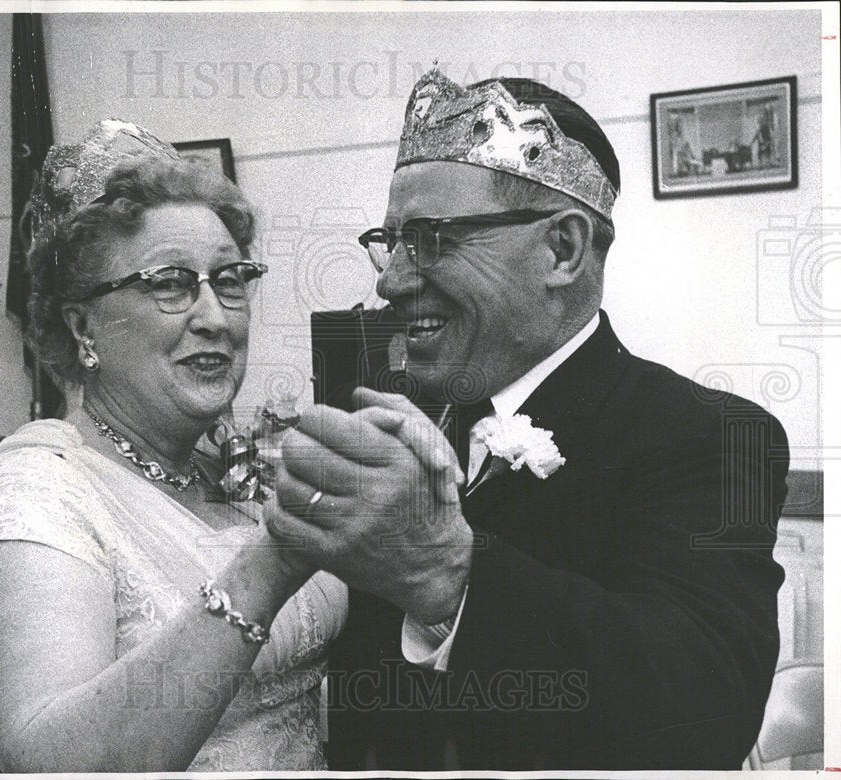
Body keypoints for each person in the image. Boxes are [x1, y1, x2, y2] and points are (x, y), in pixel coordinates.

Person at [265, 71, 789, 770]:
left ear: (562, 250)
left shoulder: (714, 435)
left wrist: (447, 570)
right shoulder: (391, 425)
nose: (389, 281)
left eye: (431, 240)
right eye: (389, 243)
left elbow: (706, 714)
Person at [0, 120, 346, 772]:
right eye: (170, 283)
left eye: (229, 279)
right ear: (82, 326)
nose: (213, 316)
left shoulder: (243, 466)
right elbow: (52, 764)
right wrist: (269, 565)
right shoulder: (34, 494)